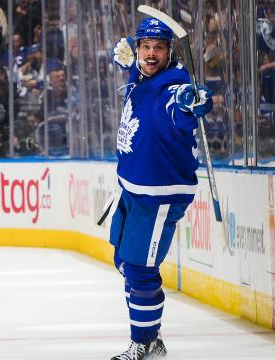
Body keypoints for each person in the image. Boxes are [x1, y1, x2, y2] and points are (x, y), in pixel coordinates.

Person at [109, 18, 213, 359]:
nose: (151, 54)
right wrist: (129, 55)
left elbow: (179, 108)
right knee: (123, 261)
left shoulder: (174, 85)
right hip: (131, 191)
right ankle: (148, 336)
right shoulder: (140, 76)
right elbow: (136, 64)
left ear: (171, 53)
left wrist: (190, 103)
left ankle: (147, 342)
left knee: (140, 270)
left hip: (158, 196)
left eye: (160, 48)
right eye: (146, 47)